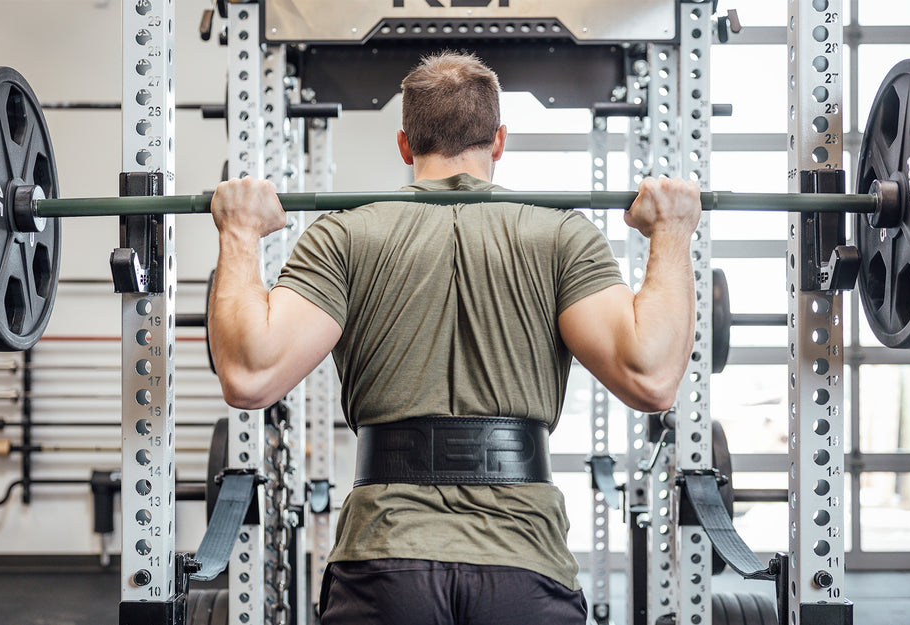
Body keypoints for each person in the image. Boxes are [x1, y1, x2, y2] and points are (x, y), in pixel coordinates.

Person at [208, 52, 701, 625]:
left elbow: (248, 376)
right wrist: (672, 233)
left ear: (403, 144)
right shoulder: (562, 235)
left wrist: (239, 234)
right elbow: (653, 377)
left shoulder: (344, 235)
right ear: (498, 141)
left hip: (384, 557)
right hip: (524, 560)